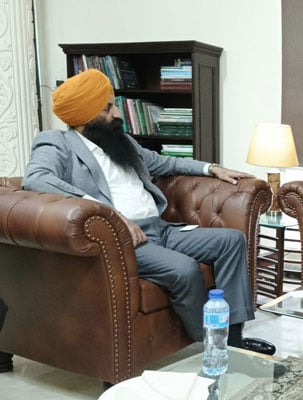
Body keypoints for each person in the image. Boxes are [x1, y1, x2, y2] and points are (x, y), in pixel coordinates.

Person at [22, 69, 274, 355]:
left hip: (160, 228)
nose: (118, 114)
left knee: (231, 241)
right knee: (183, 269)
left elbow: (165, 163)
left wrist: (212, 168)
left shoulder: (122, 142)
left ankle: (234, 336)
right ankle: (211, 344)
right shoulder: (57, 142)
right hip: (123, 238)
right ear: (84, 115)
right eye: (108, 108)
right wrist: (108, 214)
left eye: (115, 105)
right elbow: (36, 178)